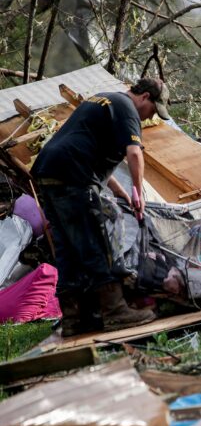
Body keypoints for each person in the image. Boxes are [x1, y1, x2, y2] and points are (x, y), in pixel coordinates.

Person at [31, 77, 172, 336]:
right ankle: (115, 311)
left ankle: (74, 319)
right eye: (153, 110)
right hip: (72, 174)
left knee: (68, 249)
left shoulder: (105, 100)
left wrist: (121, 193)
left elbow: (97, 162)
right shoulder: (127, 108)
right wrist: (138, 192)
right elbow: (134, 153)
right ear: (145, 98)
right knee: (96, 242)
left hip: (49, 171)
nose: (149, 117)